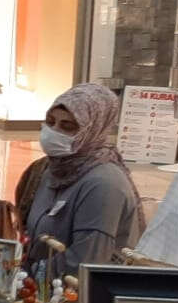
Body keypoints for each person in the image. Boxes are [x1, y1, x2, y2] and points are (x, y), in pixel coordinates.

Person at [21, 83, 144, 274]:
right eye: (50, 122)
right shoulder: (47, 170)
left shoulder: (103, 185)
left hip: (74, 290)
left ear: (94, 129)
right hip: (38, 284)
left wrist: (29, 274)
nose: (54, 131)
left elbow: (85, 262)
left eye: (67, 126)